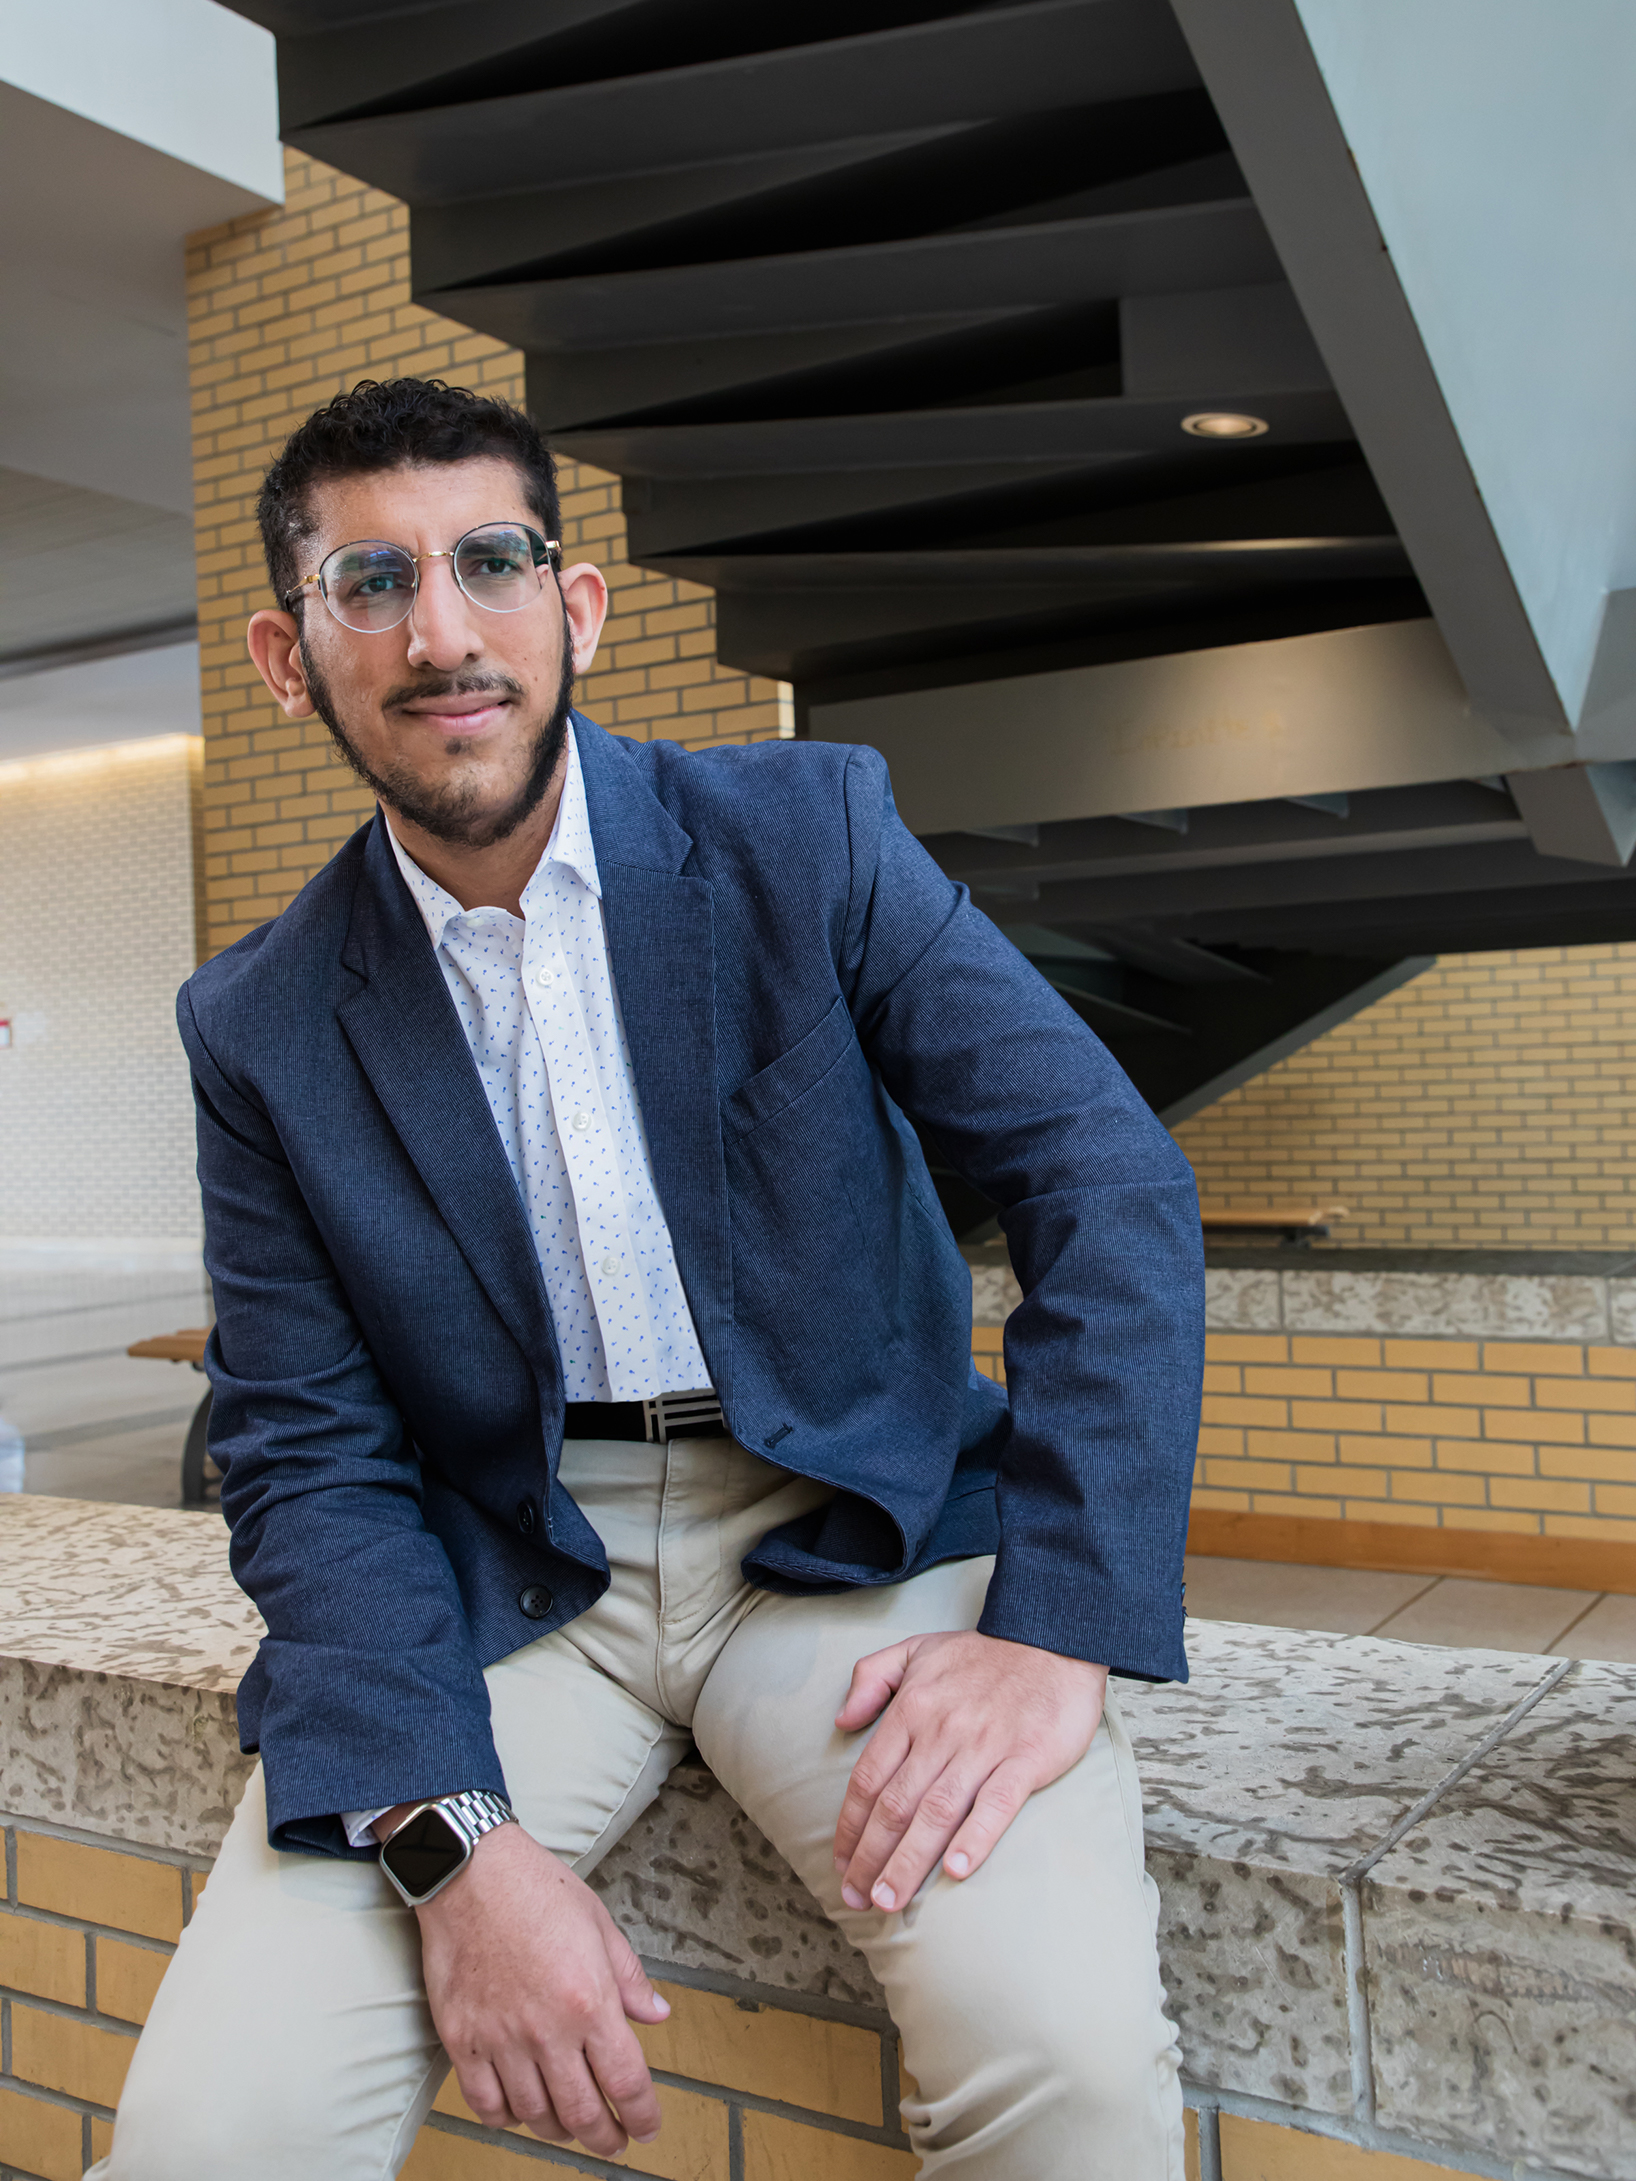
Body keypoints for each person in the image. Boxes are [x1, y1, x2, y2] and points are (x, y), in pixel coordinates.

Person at [92, 378, 1203, 2181]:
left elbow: (1108, 1184)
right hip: (512, 1577)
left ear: (577, 604)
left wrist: (1060, 1625)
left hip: (855, 1534)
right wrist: (457, 1851)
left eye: (490, 563)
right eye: (368, 582)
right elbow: (305, 1452)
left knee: (1064, 2070)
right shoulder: (259, 1022)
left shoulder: (811, 838)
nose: (441, 632)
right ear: (290, 658)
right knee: (217, 2128)